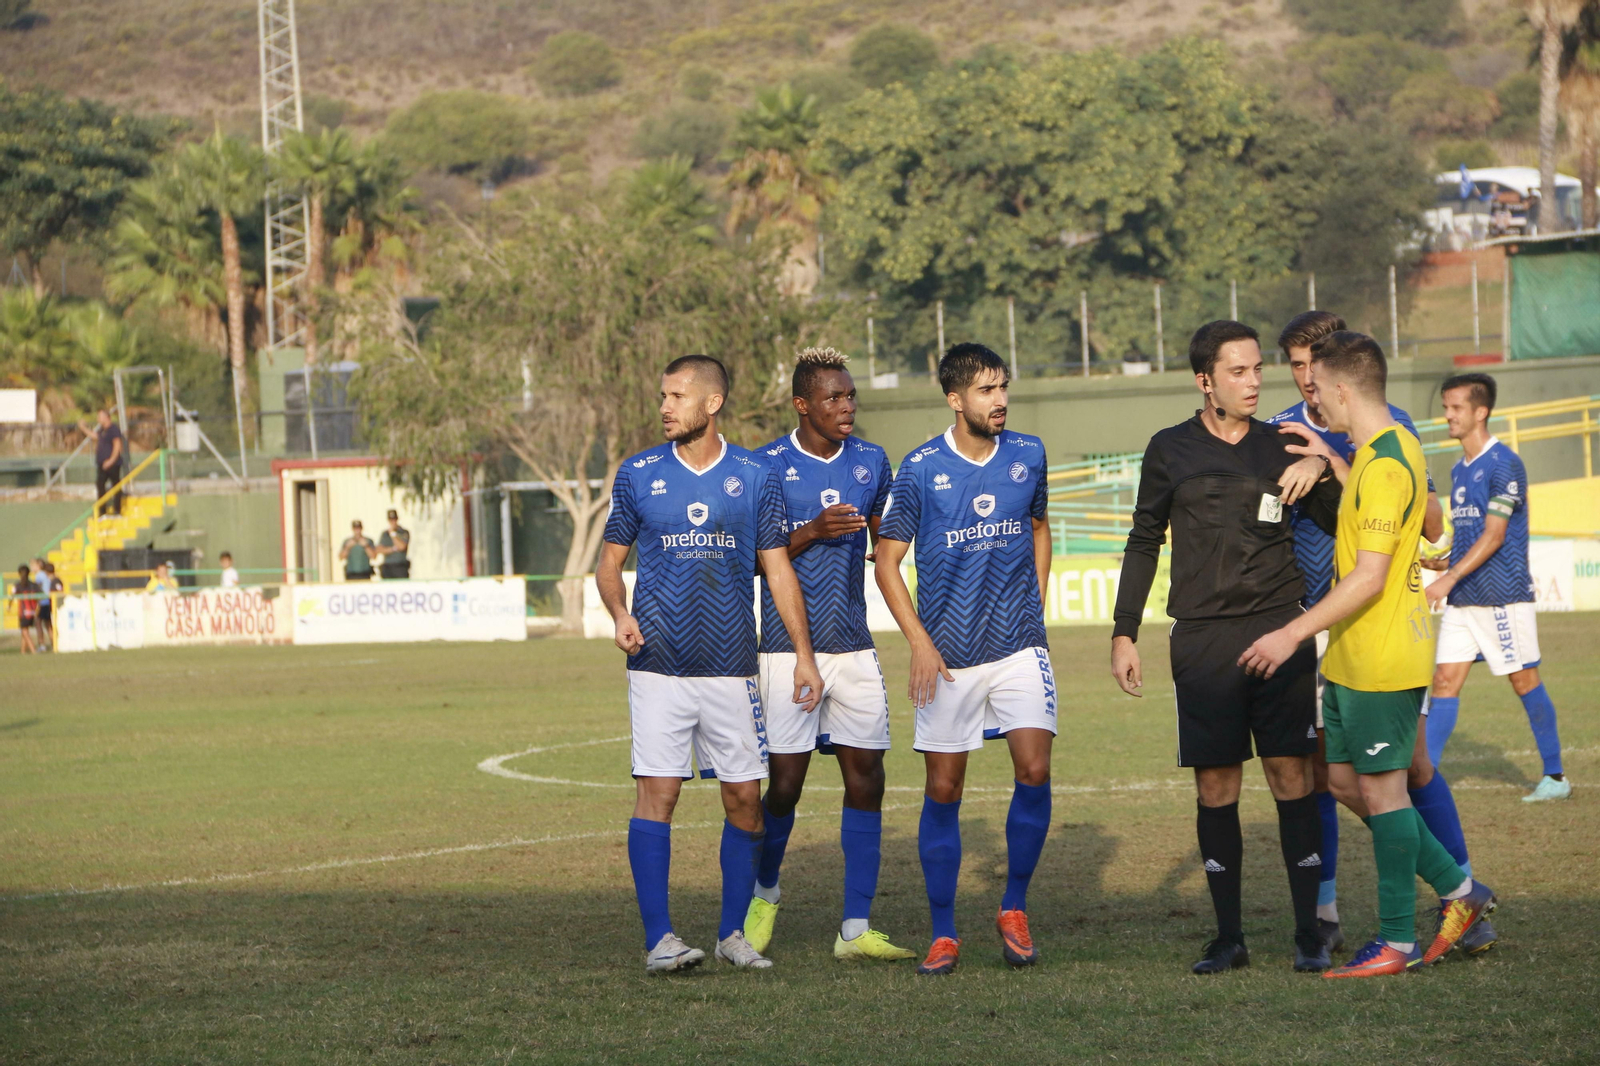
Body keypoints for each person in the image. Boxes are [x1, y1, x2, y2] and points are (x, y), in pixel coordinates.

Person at [1239, 331, 1495, 978]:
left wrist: (1290, 635)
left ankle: (1396, 940)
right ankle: (1462, 892)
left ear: (1344, 390)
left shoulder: (1386, 462)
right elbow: (1370, 507)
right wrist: (1331, 456)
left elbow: (1370, 577)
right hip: (1354, 659)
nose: (1310, 399)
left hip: (1383, 658)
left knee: (1384, 796)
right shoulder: (1384, 450)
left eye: (1318, 389)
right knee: (1348, 784)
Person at [1111, 320, 1342, 975]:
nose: (1253, 382)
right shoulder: (1169, 450)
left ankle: (1307, 935)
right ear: (1205, 381)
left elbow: (1343, 520)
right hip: (1203, 640)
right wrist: (1124, 631)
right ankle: (1229, 938)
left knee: (1292, 777)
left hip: (1278, 629)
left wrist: (1322, 464)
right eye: (1237, 372)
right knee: (1216, 787)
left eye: (1256, 370)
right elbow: (1142, 540)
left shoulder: (1286, 443)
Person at [596, 354, 824, 974]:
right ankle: (660, 941)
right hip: (658, 666)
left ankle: (731, 934)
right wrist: (619, 613)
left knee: (745, 802)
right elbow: (609, 564)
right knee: (658, 795)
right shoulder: (639, 473)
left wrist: (803, 656)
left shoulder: (754, 474)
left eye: (676, 395)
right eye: (663, 395)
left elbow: (777, 568)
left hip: (731, 667)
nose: (665, 407)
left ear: (712, 403)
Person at [874, 342, 1057, 977]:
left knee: (1034, 769)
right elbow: (888, 562)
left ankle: (1013, 907)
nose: (1000, 400)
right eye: (986, 391)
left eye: (1004, 387)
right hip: (948, 656)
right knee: (944, 789)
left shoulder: (1028, 454)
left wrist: (1034, 602)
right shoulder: (921, 468)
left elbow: (1039, 526)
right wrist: (921, 643)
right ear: (956, 400)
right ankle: (945, 932)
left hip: (1018, 647)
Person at [742, 347, 914, 963]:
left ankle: (855, 927)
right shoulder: (764, 466)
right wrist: (810, 531)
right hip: (785, 651)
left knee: (867, 779)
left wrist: (881, 546)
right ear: (802, 404)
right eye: (834, 398)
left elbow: (884, 529)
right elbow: (752, 558)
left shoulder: (871, 460)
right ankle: (764, 894)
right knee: (784, 785)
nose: (846, 408)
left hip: (855, 648)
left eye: (850, 397)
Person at [1425, 372, 1571, 803]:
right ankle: (1425, 778)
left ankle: (1556, 777)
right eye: (1446, 406)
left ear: (1480, 411)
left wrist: (1448, 577)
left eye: (1455, 408)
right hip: (1465, 598)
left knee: (1524, 681)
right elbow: (1472, 539)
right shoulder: (1459, 468)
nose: (1447, 415)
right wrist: (1442, 563)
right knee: (1444, 681)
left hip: (1502, 596)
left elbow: (1495, 536)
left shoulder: (1504, 463)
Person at [81, 409, 125, 516]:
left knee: (116, 486)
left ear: (106, 417)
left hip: (112, 464)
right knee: (100, 484)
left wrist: (111, 460)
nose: (98, 419)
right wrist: (83, 428)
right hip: (102, 464)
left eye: (100, 417)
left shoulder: (113, 429)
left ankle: (117, 510)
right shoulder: (102, 430)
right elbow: (95, 436)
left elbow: (117, 445)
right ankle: (102, 511)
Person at [11, 565, 39, 654]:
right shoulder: (34, 585)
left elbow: (12, 596)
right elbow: (40, 597)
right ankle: (22, 652)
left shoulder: (18, 585)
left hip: (24, 612)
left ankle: (33, 650)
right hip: (33, 611)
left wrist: (9, 606)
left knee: (25, 632)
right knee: (24, 631)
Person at [378, 510, 411, 580]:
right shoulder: (385, 534)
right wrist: (393, 549)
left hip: (400, 567)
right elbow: (380, 550)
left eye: (394, 519)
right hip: (388, 567)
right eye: (391, 520)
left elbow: (402, 547)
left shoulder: (404, 532)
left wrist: (393, 534)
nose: (393, 522)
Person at [36, 562, 60, 653]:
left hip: (51, 606)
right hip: (50, 605)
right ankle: (53, 644)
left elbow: (59, 592)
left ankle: (53, 644)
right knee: (48, 625)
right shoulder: (53, 581)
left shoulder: (55, 581)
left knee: (46, 624)